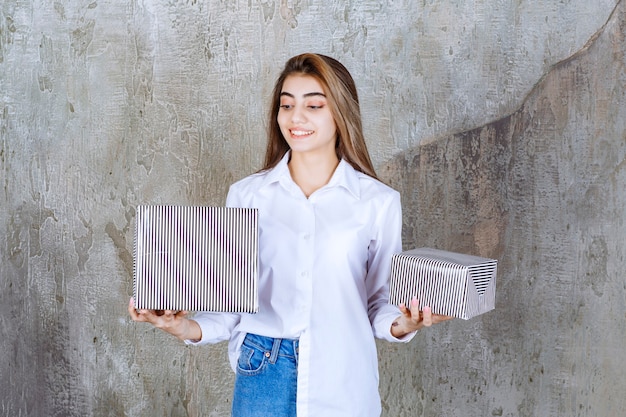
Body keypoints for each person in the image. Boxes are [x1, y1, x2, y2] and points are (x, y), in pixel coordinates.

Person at [128, 52, 452, 417]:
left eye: (313, 105)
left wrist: (405, 322)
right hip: (262, 370)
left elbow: (378, 302)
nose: (296, 118)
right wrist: (181, 325)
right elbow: (232, 305)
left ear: (340, 113)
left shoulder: (377, 202)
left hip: (343, 374)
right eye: (286, 105)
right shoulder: (246, 195)